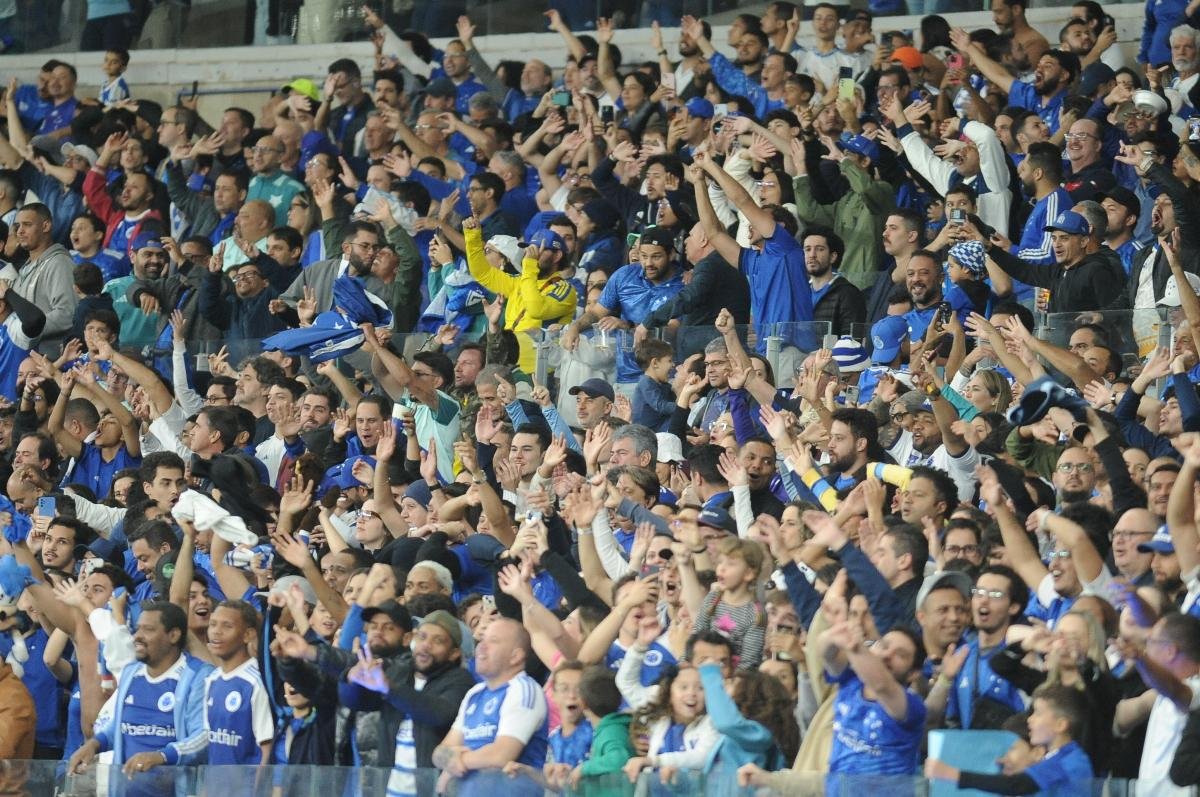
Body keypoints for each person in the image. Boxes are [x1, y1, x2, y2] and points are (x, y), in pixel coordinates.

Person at [432, 618, 548, 795]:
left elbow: (501, 755)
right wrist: (447, 758)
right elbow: (440, 751)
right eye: (482, 639)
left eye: (493, 641)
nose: (481, 646)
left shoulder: (524, 689)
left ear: (515, 656)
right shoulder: (475, 693)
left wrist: (455, 761)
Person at [926, 685, 1094, 793]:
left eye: (1038, 713)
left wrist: (953, 774)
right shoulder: (1062, 758)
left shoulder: (1068, 762)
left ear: (1060, 725)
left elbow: (1015, 785)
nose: (1030, 719)